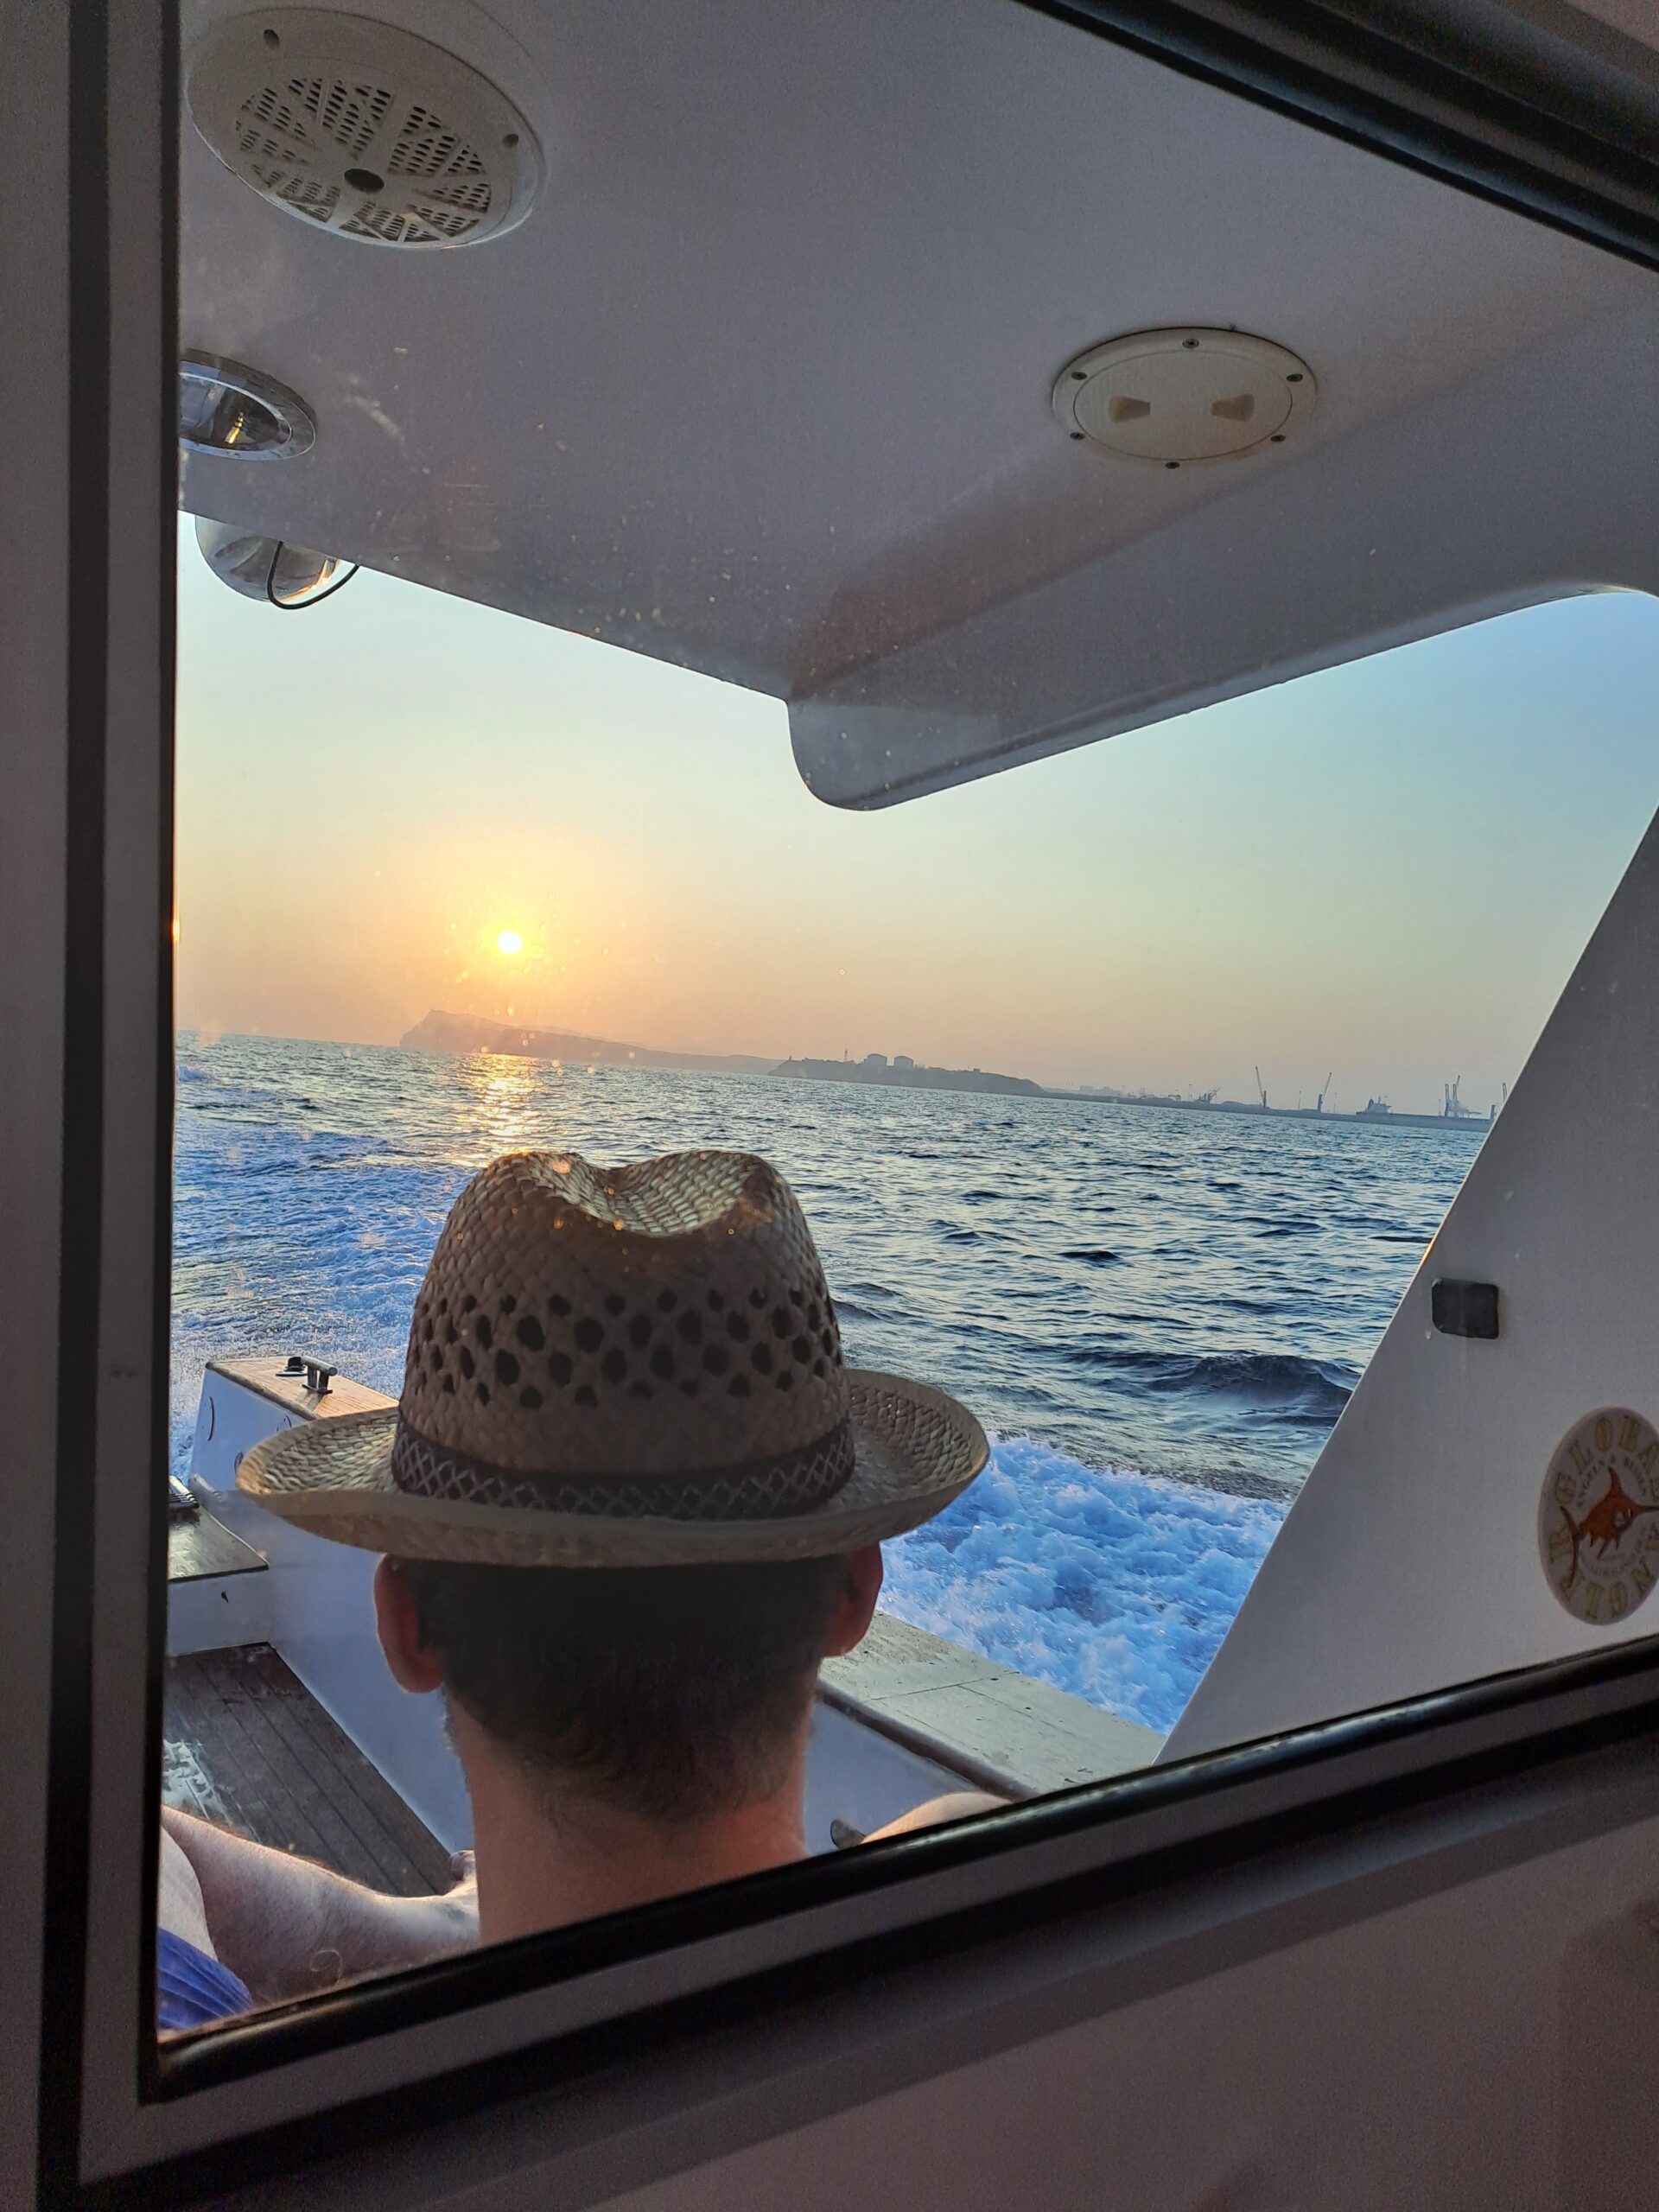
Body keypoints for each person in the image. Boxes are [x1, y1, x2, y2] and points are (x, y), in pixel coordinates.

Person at [161, 1148, 994, 2024]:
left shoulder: (223, 2086)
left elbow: (154, 1847)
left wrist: (454, 1928)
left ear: (403, 1623)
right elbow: (958, 1815)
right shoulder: (1015, 1935)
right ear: (856, 1592)